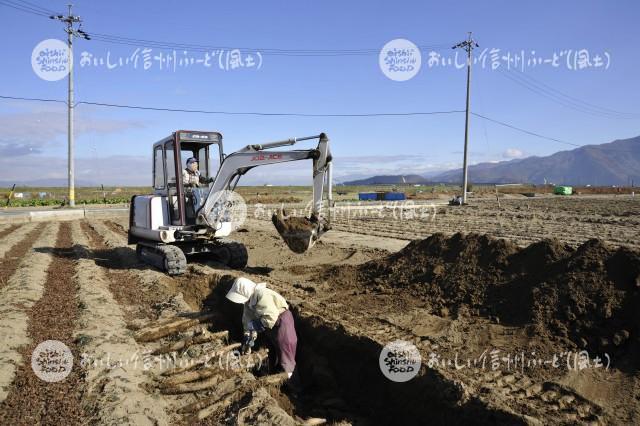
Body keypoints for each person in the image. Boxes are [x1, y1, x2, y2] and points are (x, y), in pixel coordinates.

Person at [225, 277, 299, 383]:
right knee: (272, 351)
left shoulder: (262, 295)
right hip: (269, 326)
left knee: (286, 355)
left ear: (245, 292)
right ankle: (274, 377)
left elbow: (271, 317)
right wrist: (248, 336)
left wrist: (256, 325)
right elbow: (248, 321)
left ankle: (294, 389)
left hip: (282, 322)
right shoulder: (248, 303)